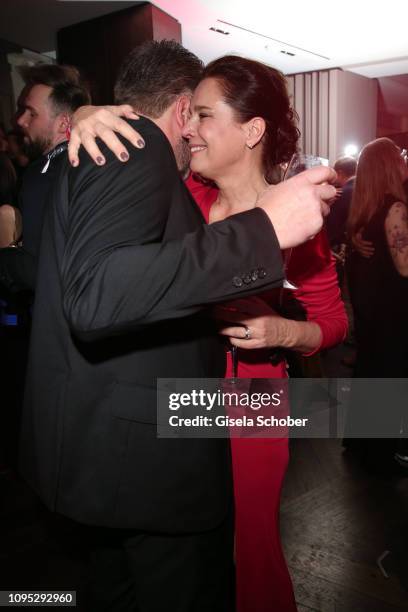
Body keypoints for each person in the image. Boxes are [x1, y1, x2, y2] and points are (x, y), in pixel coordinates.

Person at [20, 41, 336, 612]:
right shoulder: (181, 189)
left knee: (255, 545)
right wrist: (93, 115)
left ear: (251, 131)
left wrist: (284, 333)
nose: (191, 130)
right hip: (174, 409)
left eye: (207, 116)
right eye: (191, 114)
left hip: (258, 400)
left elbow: (334, 325)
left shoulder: (297, 214)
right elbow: (126, 261)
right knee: (185, 555)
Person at [0, 64, 91, 294]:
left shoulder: (43, 172)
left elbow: (39, 268)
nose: (20, 121)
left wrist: (5, 254)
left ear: (63, 123)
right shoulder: (91, 162)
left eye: (32, 113)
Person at [345, 138, 408, 468]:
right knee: (389, 376)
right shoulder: (395, 208)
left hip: (371, 312)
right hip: (393, 312)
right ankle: (381, 456)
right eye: (398, 155)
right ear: (389, 165)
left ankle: (360, 444)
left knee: (370, 372)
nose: (403, 159)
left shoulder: (362, 212)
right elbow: (405, 266)